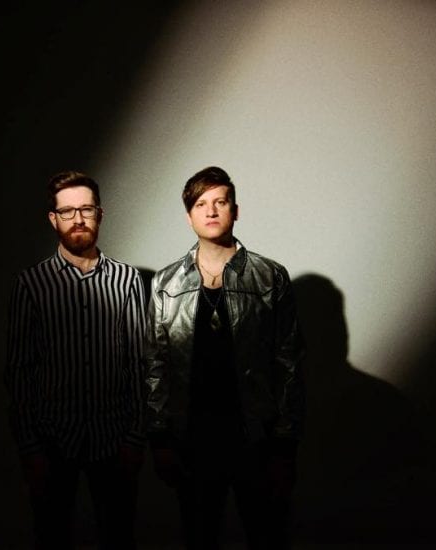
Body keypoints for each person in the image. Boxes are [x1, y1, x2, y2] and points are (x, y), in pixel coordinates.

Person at [145, 166, 306, 549]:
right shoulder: (166, 283)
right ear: (189, 216)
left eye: (221, 201)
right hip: (193, 439)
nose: (212, 210)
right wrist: (160, 437)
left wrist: (284, 443)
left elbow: (289, 362)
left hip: (256, 437)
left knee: (267, 536)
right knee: (199, 536)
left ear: (236, 210)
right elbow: (155, 363)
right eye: (201, 204)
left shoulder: (270, 276)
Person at [5, 171, 146, 550]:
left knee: (119, 538)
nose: (78, 219)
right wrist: (30, 447)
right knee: (51, 537)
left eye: (86, 209)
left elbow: (139, 361)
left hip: (113, 438)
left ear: (100, 214)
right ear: (53, 219)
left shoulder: (128, 280)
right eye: (67, 211)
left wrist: (135, 437)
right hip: (52, 441)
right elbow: (19, 370)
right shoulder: (30, 285)